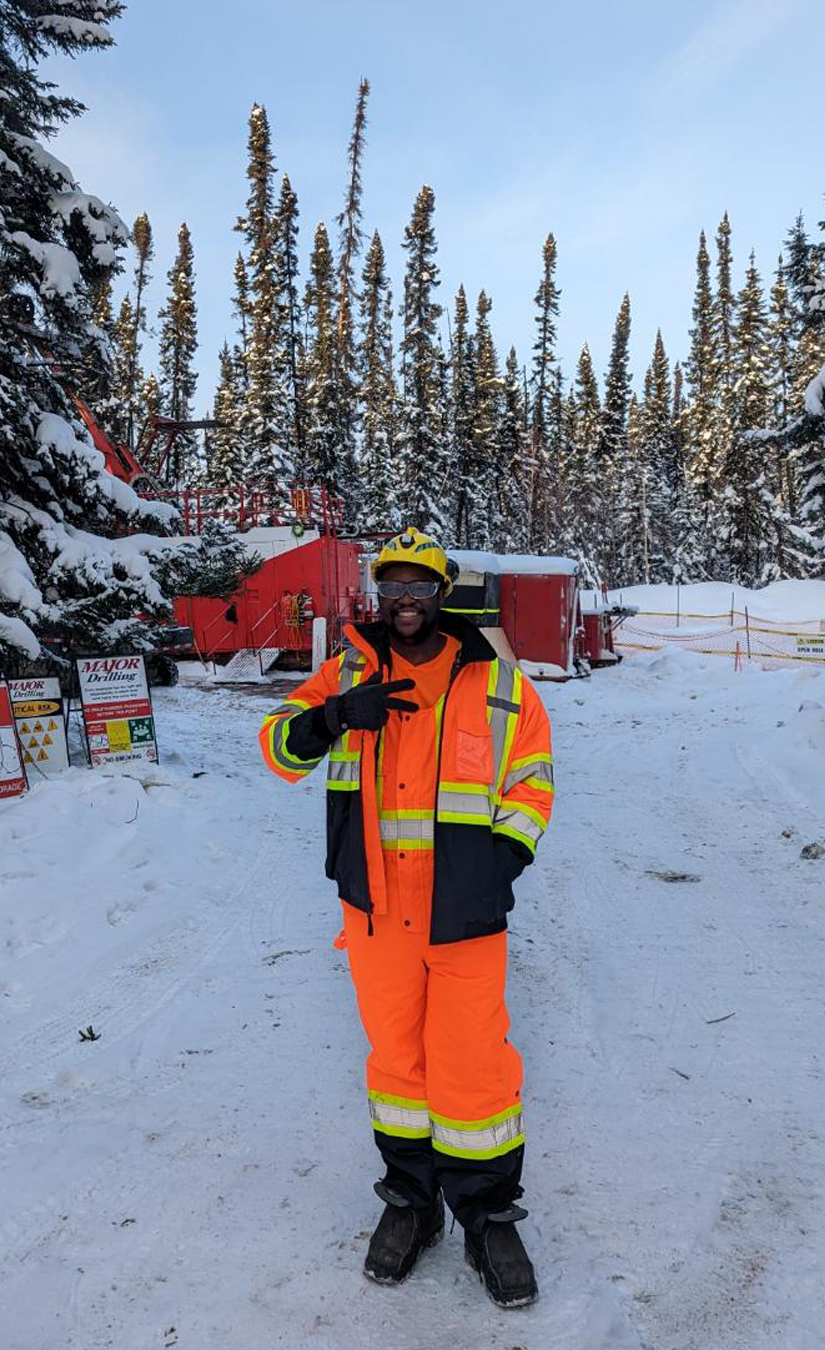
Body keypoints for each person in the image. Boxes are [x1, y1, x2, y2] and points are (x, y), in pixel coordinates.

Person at [259, 528, 554, 1308]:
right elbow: (277, 750)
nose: (405, 601)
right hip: (377, 912)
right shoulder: (348, 670)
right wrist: (330, 720)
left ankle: (486, 1215)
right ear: (378, 593)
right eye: (392, 586)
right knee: (398, 1066)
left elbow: (532, 783)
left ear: (442, 592)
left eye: (419, 586)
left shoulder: (499, 683)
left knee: (474, 1067)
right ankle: (412, 1205)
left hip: (464, 912)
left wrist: (502, 863)